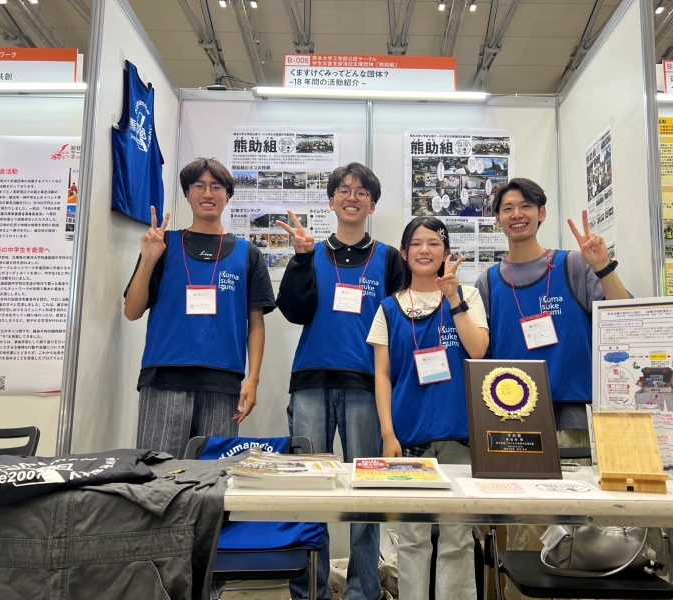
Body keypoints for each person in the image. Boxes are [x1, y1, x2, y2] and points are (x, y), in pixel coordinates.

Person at [475, 178, 629, 600]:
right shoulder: (488, 283)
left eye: (526, 206)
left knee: (583, 528)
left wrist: (603, 267)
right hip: (517, 425)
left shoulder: (573, 265)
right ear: (497, 220)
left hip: (576, 417)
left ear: (541, 213)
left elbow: (622, 315)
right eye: (507, 208)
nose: (517, 214)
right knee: (528, 530)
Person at [275, 162, 405, 600]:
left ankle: (363, 589)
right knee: (308, 491)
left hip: (367, 385)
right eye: (344, 190)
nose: (352, 197)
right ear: (331, 201)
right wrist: (299, 260)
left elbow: (401, 323)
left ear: (373, 204)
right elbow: (294, 311)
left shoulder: (389, 258)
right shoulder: (310, 251)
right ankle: (310, 590)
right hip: (310, 381)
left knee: (366, 491)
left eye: (361, 191)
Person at [368, 216, 489, 600]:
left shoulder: (468, 296)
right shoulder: (388, 308)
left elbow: (478, 350)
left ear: (446, 252)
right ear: (404, 253)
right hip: (409, 440)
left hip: (460, 436)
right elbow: (383, 375)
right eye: (416, 244)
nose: (425, 250)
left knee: (457, 538)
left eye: (434, 243)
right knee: (412, 538)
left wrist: (452, 299)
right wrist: (388, 434)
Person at [124, 157, 275, 461]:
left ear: (227, 196)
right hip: (164, 378)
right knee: (158, 473)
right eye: (199, 186)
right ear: (187, 193)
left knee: (214, 475)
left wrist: (254, 379)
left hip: (223, 381)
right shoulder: (163, 244)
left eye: (216, 187)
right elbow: (132, 311)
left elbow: (256, 323)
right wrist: (149, 259)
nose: (208, 193)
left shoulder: (248, 254)